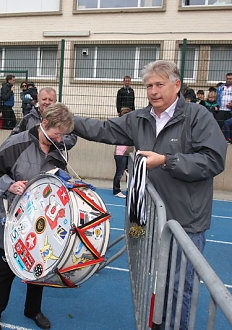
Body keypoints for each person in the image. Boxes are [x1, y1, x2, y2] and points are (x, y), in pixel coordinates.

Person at [71, 60, 227, 329]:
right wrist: (70, 121)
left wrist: (167, 160)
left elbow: (213, 160)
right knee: (158, 279)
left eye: (159, 84)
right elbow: (105, 129)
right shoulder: (139, 118)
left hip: (185, 223)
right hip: (150, 220)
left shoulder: (198, 117)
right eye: (149, 85)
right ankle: (158, 321)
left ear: (177, 86)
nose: (153, 91)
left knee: (180, 288)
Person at [0, 103, 74, 330]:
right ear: (44, 125)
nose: (61, 139)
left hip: (41, 222)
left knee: (40, 267)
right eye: (57, 134)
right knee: (5, 269)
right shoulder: (18, 142)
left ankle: (33, 310)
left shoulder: (58, 148)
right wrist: (10, 185)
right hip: (12, 219)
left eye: (64, 135)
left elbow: (59, 180)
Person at [12, 87, 77, 150]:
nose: (47, 102)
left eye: (50, 100)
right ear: (38, 100)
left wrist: (53, 140)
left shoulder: (63, 119)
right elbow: (14, 137)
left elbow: (71, 139)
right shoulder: (28, 118)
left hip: (52, 158)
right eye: (44, 99)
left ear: (55, 101)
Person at [112, 107, 134, 198]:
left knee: (129, 172)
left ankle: (130, 189)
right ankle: (116, 190)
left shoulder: (129, 127)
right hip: (121, 154)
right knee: (120, 172)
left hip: (127, 154)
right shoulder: (122, 127)